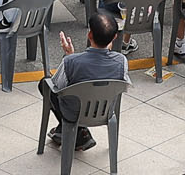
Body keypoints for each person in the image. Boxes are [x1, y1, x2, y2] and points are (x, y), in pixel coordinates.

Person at [39, 12, 129, 156]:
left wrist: (69, 55)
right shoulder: (121, 62)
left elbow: (57, 87)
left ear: (89, 35)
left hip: (75, 113)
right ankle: (78, 133)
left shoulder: (72, 62)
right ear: (115, 37)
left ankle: (78, 130)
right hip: (105, 111)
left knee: (45, 83)